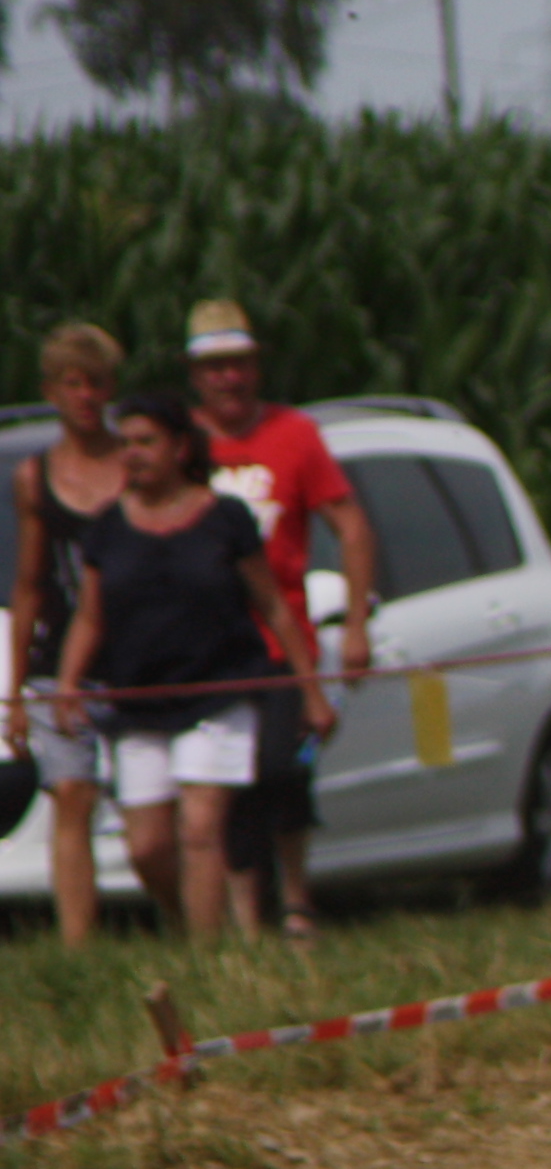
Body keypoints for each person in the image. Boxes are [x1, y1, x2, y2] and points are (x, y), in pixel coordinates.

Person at [52, 396, 331, 937]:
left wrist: (309, 689)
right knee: (147, 846)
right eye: (125, 443)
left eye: (146, 441)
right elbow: (90, 616)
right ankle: (189, 922)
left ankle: (208, 959)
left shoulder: (226, 518)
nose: (133, 454)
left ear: (180, 448)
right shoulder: (107, 527)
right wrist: (67, 683)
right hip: (140, 699)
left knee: (201, 829)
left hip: (219, 692)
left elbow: (273, 605)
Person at [184, 298, 371, 940]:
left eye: (239, 364)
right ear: (195, 374)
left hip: (281, 638)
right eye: (215, 367)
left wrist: (355, 625)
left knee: (281, 767)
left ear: (256, 367)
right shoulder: (181, 442)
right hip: (205, 645)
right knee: (226, 779)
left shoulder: (295, 435)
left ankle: (295, 897)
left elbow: (351, 525)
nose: (228, 378)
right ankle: (244, 917)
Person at [10, 324, 129, 943]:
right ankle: (78, 946)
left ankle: (184, 922)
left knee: (150, 810)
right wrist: (14, 691)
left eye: (97, 383)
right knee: (72, 794)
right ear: (51, 391)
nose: (86, 396)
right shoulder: (36, 477)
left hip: (138, 656)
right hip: (59, 660)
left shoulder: (137, 462)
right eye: (72, 383)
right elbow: (29, 583)